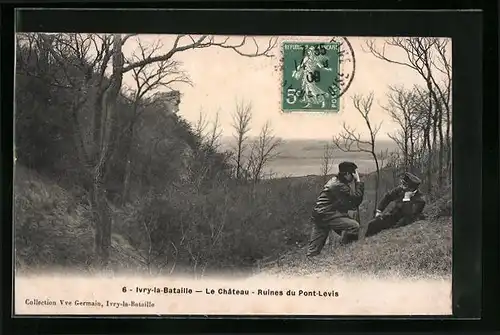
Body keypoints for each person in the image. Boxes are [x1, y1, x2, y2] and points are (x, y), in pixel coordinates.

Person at [306, 161, 365, 257]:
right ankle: (347, 253)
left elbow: (347, 204)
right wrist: (358, 182)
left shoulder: (336, 181)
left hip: (322, 215)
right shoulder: (339, 186)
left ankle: (344, 250)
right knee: (354, 226)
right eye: (352, 174)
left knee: (313, 252)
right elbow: (355, 200)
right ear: (346, 174)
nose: (353, 176)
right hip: (327, 216)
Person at [364, 172, 426, 238]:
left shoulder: (420, 200)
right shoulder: (401, 189)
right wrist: (379, 211)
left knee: (392, 232)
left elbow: (409, 214)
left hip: (406, 220)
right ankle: (365, 243)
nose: (401, 186)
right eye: (402, 183)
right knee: (372, 224)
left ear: (411, 188)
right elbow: (388, 197)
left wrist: (406, 198)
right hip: (394, 216)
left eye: (404, 185)